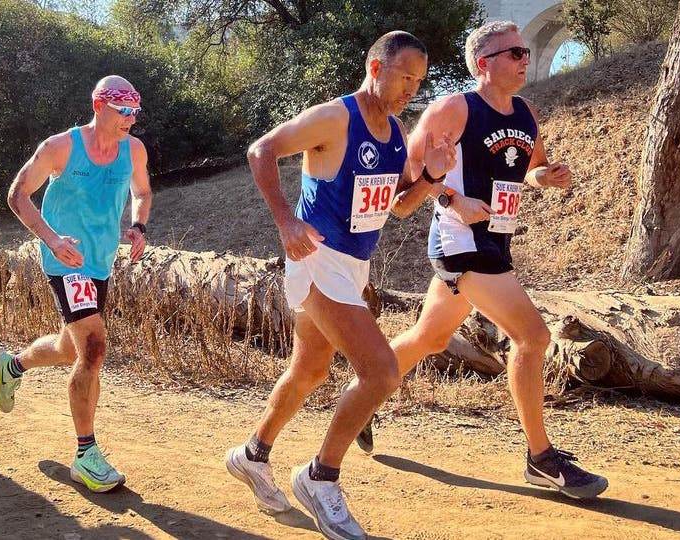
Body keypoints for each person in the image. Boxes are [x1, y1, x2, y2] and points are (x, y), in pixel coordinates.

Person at [357, 21, 608, 500]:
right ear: (482, 63)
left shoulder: (526, 112)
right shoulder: (455, 107)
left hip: (497, 240)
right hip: (459, 241)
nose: (523, 59)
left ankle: (364, 395)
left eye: (524, 53)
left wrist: (545, 177)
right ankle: (540, 458)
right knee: (532, 337)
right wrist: (452, 199)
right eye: (513, 52)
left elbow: (530, 168)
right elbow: (410, 173)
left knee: (430, 338)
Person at [224, 32, 455, 540]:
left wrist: (431, 179)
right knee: (382, 372)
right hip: (317, 259)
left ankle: (252, 455)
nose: (410, 90)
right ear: (376, 67)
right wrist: (285, 221)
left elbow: (397, 206)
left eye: (418, 82)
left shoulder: (394, 133)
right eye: (403, 77)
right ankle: (320, 476)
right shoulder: (335, 116)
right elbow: (261, 149)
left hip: (354, 265)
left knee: (308, 370)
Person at [0, 75, 152, 493]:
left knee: (70, 349)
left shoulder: (133, 150)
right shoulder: (61, 147)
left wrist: (138, 226)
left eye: (135, 112)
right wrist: (52, 239)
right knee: (94, 349)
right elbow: (17, 195)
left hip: (100, 261)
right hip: (66, 260)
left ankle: (13, 366)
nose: (130, 120)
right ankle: (85, 454)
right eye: (123, 111)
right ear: (99, 106)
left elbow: (143, 192)